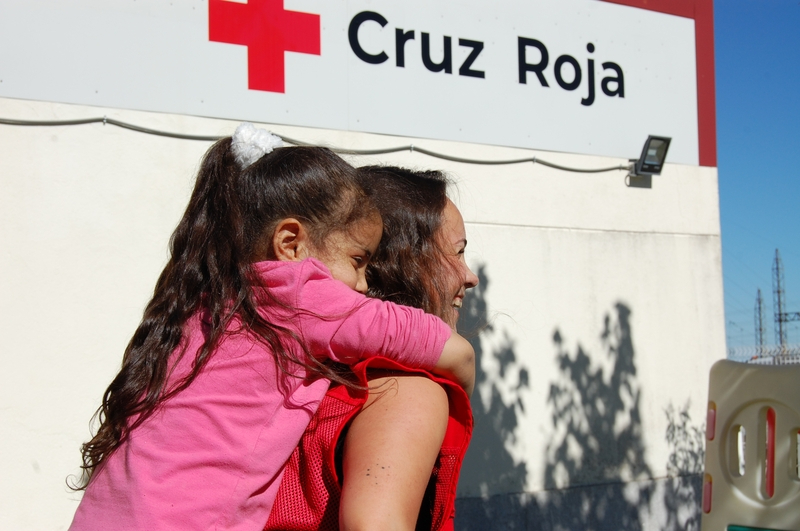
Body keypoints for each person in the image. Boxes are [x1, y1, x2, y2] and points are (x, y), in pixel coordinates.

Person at [68, 124, 475, 531]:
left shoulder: (210, 302)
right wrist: (463, 375)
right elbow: (425, 339)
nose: (363, 286)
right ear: (291, 243)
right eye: (357, 260)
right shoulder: (294, 295)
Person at [264, 166, 480, 531]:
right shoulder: (404, 391)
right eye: (457, 253)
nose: (470, 276)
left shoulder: (291, 366)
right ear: (403, 260)